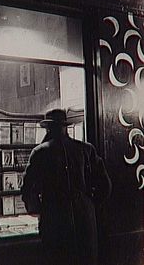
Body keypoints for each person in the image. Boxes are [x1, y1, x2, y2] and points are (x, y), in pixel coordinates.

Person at [21, 109, 112, 265]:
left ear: (48, 128)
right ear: (65, 127)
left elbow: (28, 189)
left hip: (54, 219)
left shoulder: (40, 152)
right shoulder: (86, 149)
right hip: (85, 219)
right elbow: (105, 185)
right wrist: (90, 204)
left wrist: (38, 210)